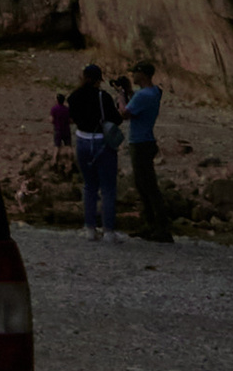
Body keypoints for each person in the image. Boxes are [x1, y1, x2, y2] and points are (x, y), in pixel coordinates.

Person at [69, 60, 122, 240]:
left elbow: (73, 117)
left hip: (82, 140)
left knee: (89, 186)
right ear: (99, 80)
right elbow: (116, 119)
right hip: (101, 142)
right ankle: (108, 230)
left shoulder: (74, 96)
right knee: (107, 188)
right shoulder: (102, 97)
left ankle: (90, 228)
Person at [121, 64, 172, 241]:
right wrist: (128, 91)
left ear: (142, 74)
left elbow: (125, 113)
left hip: (140, 143)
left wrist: (120, 96)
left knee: (147, 186)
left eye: (135, 73)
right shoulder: (154, 92)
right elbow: (138, 106)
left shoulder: (143, 95)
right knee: (146, 185)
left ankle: (160, 228)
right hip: (147, 141)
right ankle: (153, 226)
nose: (133, 75)